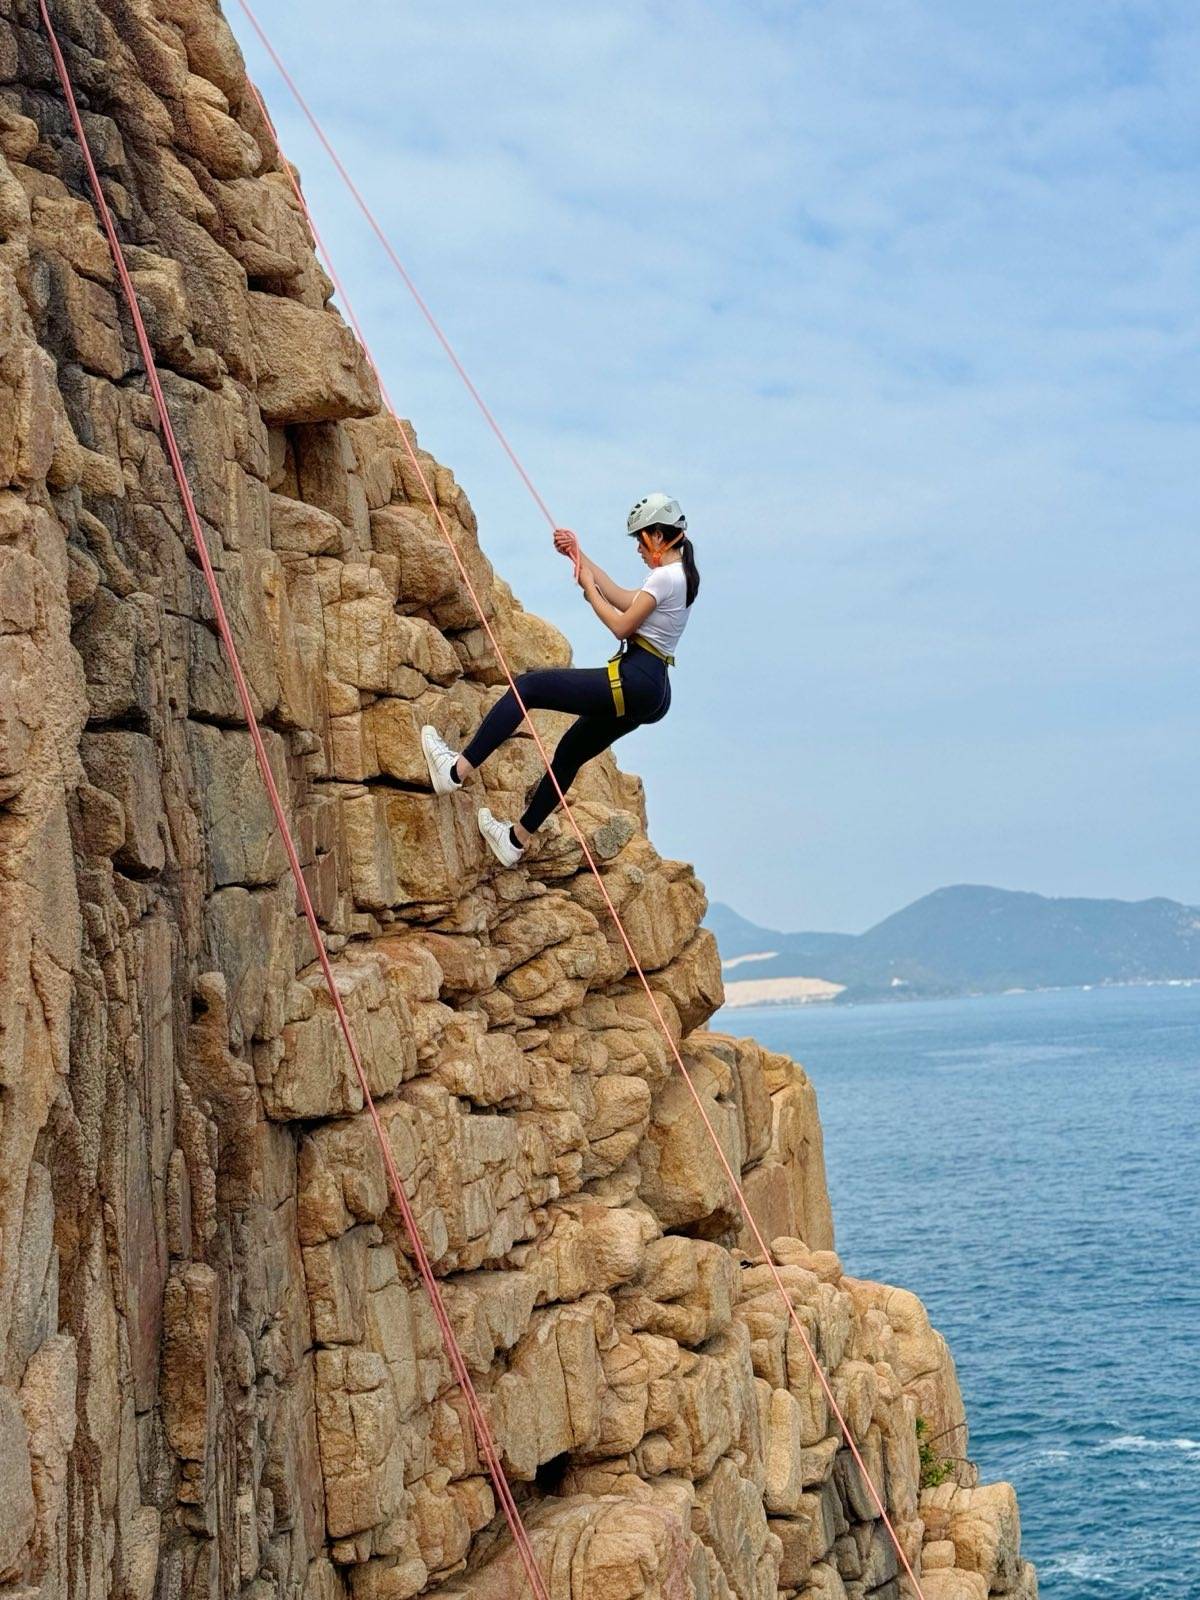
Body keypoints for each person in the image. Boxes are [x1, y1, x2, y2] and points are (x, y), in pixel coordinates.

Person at [421, 492, 700, 866]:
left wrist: (588, 592)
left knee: (527, 688)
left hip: (634, 679)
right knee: (570, 752)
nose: (637, 547)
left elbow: (621, 624)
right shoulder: (678, 575)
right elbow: (621, 596)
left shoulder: (666, 578)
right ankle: (514, 840)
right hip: (651, 690)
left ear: (658, 535)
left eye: (640, 538)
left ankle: (455, 770)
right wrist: (577, 555)